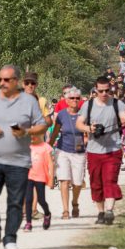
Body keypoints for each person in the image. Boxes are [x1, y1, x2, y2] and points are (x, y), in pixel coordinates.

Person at [0, 65, 47, 249]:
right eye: (0, 80)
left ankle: (10, 238)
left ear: (16, 82)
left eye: (6, 80)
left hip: (18, 161)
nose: (2, 83)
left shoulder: (28, 101)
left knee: (15, 201)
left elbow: (42, 125)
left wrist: (26, 131)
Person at [76, 76, 125, 225]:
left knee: (110, 180)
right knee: (96, 183)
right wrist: (89, 129)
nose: (104, 93)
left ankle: (109, 211)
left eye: (107, 90)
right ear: (95, 90)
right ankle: (100, 212)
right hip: (94, 150)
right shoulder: (88, 105)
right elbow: (79, 124)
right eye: (101, 91)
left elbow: (124, 119)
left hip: (113, 150)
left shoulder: (117, 104)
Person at [49, 86, 86, 219]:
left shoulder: (84, 115)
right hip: (62, 149)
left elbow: (87, 134)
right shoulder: (62, 115)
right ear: (66, 100)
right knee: (64, 180)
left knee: (77, 182)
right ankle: (65, 210)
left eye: (77, 98)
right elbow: (55, 132)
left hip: (79, 151)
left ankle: (74, 203)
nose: (75, 100)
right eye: (72, 98)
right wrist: (48, 147)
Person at [23, 134, 53, 231]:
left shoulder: (45, 147)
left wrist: (51, 179)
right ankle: (28, 223)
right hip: (29, 176)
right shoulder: (27, 146)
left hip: (41, 176)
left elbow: (50, 164)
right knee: (28, 200)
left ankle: (47, 214)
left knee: (41, 200)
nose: (32, 137)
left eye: (35, 135)